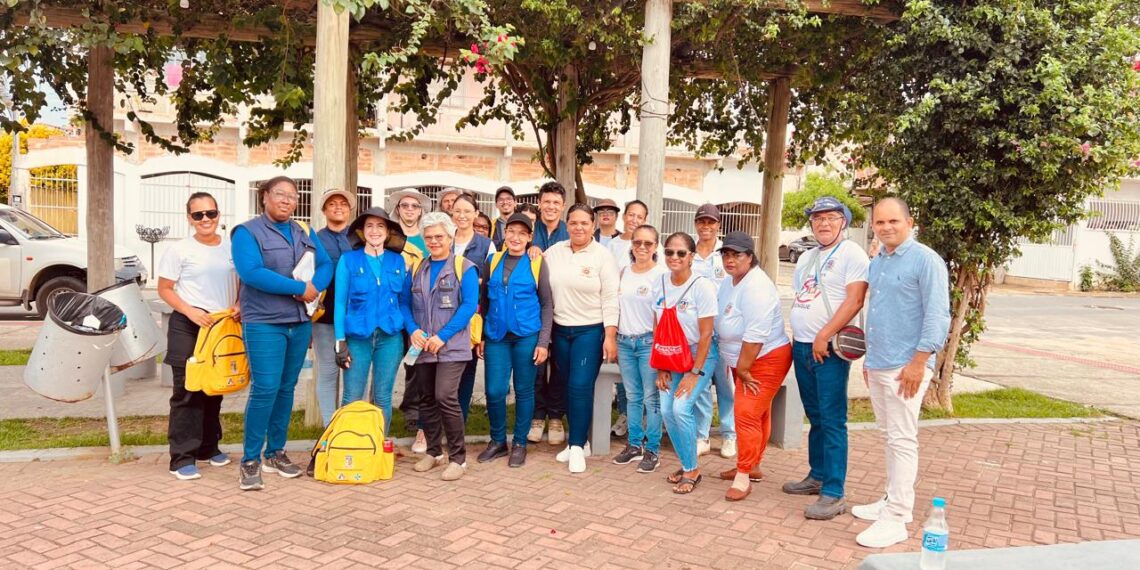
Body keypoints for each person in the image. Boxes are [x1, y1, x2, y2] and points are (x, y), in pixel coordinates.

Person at [854, 197, 949, 548]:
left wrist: (918, 362)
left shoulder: (926, 260)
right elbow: (877, 312)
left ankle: (897, 517)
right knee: (888, 435)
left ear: (909, 222)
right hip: (879, 361)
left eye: (894, 221)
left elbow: (938, 315)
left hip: (906, 365)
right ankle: (890, 500)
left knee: (902, 438)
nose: (886, 227)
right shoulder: (878, 261)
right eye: (880, 222)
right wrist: (869, 359)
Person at [231, 176, 333, 491]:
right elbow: (251, 273)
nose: (287, 201)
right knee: (265, 389)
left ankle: (276, 452)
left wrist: (316, 286)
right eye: (280, 194)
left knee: (287, 389)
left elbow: (327, 263)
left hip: (299, 322)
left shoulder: (304, 230)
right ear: (265, 197)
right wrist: (299, 288)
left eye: (292, 195)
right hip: (263, 322)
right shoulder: (247, 232)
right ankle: (250, 459)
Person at [783, 196, 869, 520]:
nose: (823, 223)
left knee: (833, 420)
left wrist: (823, 335)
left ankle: (833, 492)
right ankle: (816, 475)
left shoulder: (852, 254)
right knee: (815, 416)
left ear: (843, 222)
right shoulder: (806, 257)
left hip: (829, 348)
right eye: (817, 218)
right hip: (803, 346)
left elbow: (856, 299)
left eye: (831, 217)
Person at [158, 192, 239, 481]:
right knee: (188, 391)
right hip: (190, 324)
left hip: (221, 325)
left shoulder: (231, 247)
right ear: (189, 218)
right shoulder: (179, 250)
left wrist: (239, 303)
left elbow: (241, 280)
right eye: (198, 215)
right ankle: (182, 457)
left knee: (213, 388)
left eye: (211, 213)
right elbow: (165, 288)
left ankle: (208, 446)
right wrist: (191, 311)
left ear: (218, 215)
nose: (206, 219)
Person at [714, 232, 792, 501]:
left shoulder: (757, 286)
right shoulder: (729, 282)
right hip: (742, 360)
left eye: (737, 255)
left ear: (750, 257)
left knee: (745, 413)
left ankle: (743, 475)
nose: (730, 259)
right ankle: (752, 464)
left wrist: (744, 370)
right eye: (726, 254)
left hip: (763, 358)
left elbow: (755, 334)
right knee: (758, 414)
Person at [403, 212, 480, 481]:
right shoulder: (416, 268)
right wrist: (413, 330)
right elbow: (404, 303)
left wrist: (443, 336)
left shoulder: (465, 267)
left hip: (452, 346)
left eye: (439, 236)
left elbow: (469, 305)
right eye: (429, 237)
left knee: (445, 396)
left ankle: (458, 458)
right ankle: (433, 452)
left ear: (450, 237)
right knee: (426, 399)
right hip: (423, 347)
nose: (434, 241)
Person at [544, 204, 619, 473]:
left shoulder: (602, 256)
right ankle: (581, 441)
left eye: (584, 223)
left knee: (579, 385)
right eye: (573, 223)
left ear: (593, 225)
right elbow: (536, 271)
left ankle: (576, 446)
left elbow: (611, 297)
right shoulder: (554, 252)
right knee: (565, 384)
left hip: (590, 329)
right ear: (567, 225)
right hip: (561, 330)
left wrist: (610, 335)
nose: (578, 228)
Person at [476, 213, 553, 468]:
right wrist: (483, 336)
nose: (516, 237)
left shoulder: (537, 263)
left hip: (526, 336)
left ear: (530, 237)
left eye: (522, 233)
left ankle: (519, 443)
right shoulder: (492, 260)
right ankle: (498, 440)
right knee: (495, 390)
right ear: (504, 234)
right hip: (497, 335)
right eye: (511, 232)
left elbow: (546, 303)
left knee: (524, 390)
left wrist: (543, 342)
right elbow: (485, 300)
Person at [332, 207, 410, 438]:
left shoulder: (398, 261)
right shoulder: (348, 260)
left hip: (390, 338)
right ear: (362, 231)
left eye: (380, 226)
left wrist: (408, 334)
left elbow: (404, 301)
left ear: (388, 233)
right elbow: (339, 303)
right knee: (352, 395)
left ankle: (377, 446)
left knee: (383, 396)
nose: (375, 231)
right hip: (357, 338)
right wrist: (340, 341)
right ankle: (347, 444)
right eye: (369, 226)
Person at [653, 232, 719, 494]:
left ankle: (692, 470)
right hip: (670, 354)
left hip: (698, 355)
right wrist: (661, 365)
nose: (674, 257)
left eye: (681, 253)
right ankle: (687, 463)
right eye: (669, 252)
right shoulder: (661, 282)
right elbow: (658, 324)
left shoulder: (702, 286)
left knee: (681, 408)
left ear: (692, 256)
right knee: (667, 411)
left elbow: (706, 335)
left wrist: (695, 373)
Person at [611, 224, 667, 474]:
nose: (642, 247)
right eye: (637, 242)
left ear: (656, 247)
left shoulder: (661, 275)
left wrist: (659, 344)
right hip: (624, 341)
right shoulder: (624, 272)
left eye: (648, 243)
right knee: (632, 396)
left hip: (648, 342)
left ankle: (653, 448)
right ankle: (634, 444)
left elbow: (664, 314)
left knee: (651, 397)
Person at [526, 181, 571, 445]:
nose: (551, 206)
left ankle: (556, 416)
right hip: (535, 311)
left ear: (562, 206)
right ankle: (537, 415)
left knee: (560, 367)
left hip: (565, 309)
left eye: (556, 202)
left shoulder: (570, 232)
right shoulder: (528, 231)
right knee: (537, 366)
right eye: (547, 202)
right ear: (539, 203)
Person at [387, 188, 431, 452]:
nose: (410, 210)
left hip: (418, 310)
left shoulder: (426, 239)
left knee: (416, 363)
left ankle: (412, 409)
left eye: (415, 206)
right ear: (398, 209)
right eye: (405, 206)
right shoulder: (390, 237)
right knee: (390, 361)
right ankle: (378, 412)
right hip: (391, 308)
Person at [690, 203, 734, 459]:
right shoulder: (689, 254)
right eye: (702, 222)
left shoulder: (726, 254)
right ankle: (702, 435)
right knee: (701, 386)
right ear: (696, 224)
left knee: (727, 387)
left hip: (724, 332)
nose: (706, 226)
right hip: (698, 333)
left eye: (711, 222)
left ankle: (729, 435)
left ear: (718, 225)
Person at [450, 193, 495, 421]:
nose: (462, 215)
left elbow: (491, 289)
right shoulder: (443, 239)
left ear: (476, 213)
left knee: (466, 373)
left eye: (467, 211)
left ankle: (459, 424)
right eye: (458, 210)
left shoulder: (486, 245)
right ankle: (429, 429)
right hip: (442, 315)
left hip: (472, 317)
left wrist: (485, 331)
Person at [312, 188, 356, 426]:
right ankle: (330, 426)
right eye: (332, 203)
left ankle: (350, 425)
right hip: (325, 316)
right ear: (324, 209)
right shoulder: (314, 239)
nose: (338, 207)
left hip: (356, 316)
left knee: (354, 372)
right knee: (328, 371)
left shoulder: (360, 238)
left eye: (343, 203)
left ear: (350, 209)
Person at [608, 200, 663, 271]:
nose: (634, 220)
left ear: (644, 221)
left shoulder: (652, 244)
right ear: (623, 216)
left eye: (639, 217)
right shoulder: (612, 244)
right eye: (631, 215)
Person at [388, 187, 431, 256]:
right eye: (404, 205)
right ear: (397, 210)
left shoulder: (429, 238)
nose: (410, 209)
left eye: (414, 206)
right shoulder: (388, 237)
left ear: (420, 211)